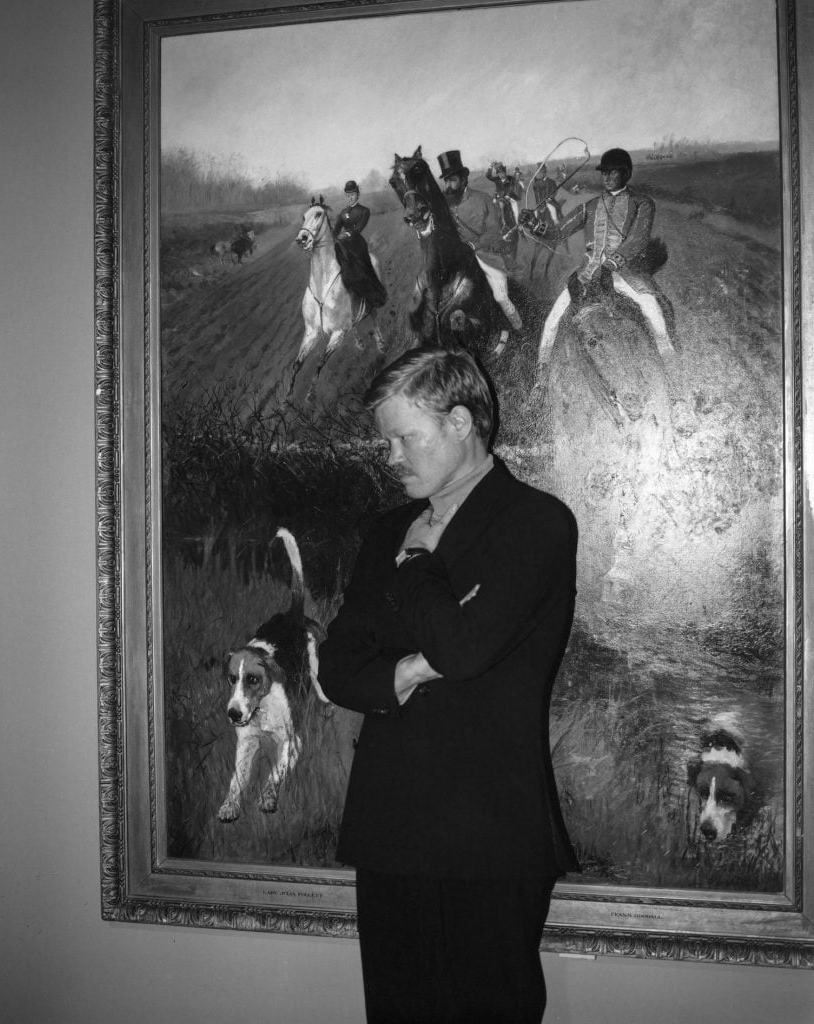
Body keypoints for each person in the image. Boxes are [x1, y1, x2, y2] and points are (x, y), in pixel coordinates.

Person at [319, 348, 579, 1024]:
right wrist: (405, 671)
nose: (390, 455)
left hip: (490, 834)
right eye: (386, 440)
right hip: (390, 827)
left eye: (405, 436)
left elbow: (462, 650)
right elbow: (338, 665)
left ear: (461, 422)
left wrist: (414, 564)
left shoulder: (537, 523)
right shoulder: (384, 531)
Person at [520, 147, 676, 371]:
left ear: (626, 174)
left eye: (613, 172)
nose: (607, 177)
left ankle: (674, 381)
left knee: (654, 312)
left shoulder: (642, 204)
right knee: (551, 321)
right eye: (604, 172)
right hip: (587, 275)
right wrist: (533, 224)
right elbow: (558, 232)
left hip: (624, 274)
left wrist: (611, 264)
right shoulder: (590, 206)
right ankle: (541, 380)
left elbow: (637, 239)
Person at [437, 150, 523, 332]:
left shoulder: (482, 199)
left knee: (500, 297)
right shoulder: (445, 204)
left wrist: (473, 246)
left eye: (452, 179)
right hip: (460, 260)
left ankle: (519, 328)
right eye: (446, 180)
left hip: (486, 256)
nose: (448, 185)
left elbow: (493, 232)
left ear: (463, 179)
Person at [333, 179, 387, 309]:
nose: (350, 197)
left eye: (353, 194)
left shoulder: (364, 211)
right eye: (348, 195)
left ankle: (373, 294)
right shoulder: (343, 212)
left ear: (358, 194)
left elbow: (359, 228)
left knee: (364, 267)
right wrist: (332, 236)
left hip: (357, 244)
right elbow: (336, 230)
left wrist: (347, 234)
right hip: (343, 244)